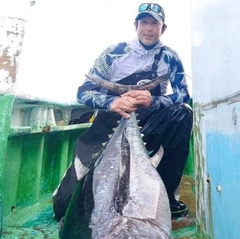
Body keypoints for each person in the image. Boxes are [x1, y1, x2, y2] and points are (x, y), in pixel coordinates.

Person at [52, 2, 193, 221]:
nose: (148, 28)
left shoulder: (170, 57)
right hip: (110, 120)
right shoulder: (113, 54)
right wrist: (112, 102)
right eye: (143, 22)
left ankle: (166, 196)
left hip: (150, 121)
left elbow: (184, 94)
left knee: (183, 112)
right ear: (135, 25)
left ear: (163, 28)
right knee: (62, 208)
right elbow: (83, 92)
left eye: (154, 23)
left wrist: (153, 101)